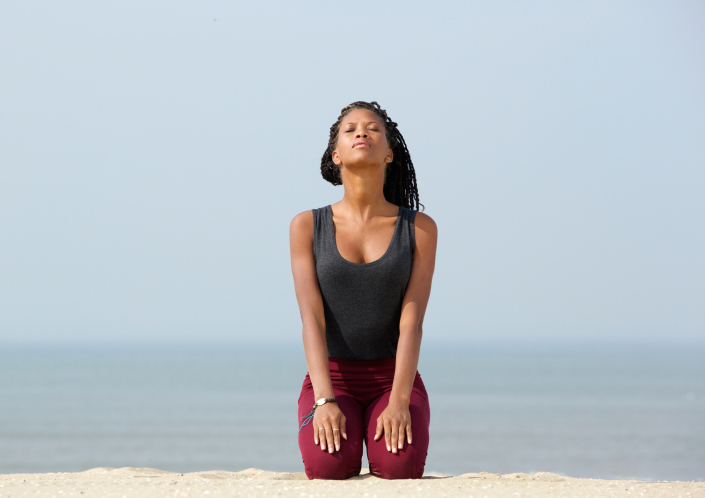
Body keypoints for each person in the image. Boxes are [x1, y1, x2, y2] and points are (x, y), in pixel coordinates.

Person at [289, 101, 438, 480]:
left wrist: (400, 400)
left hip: (393, 378)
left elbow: (412, 322)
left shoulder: (419, 228)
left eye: (373, 128)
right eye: (350, 129)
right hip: (332, 377)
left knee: (399, 466)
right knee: (329, 468)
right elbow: (311, 320)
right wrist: (324, 400)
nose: (362, 133)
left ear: (389, 152)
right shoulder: (307, 226)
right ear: (335, 154)